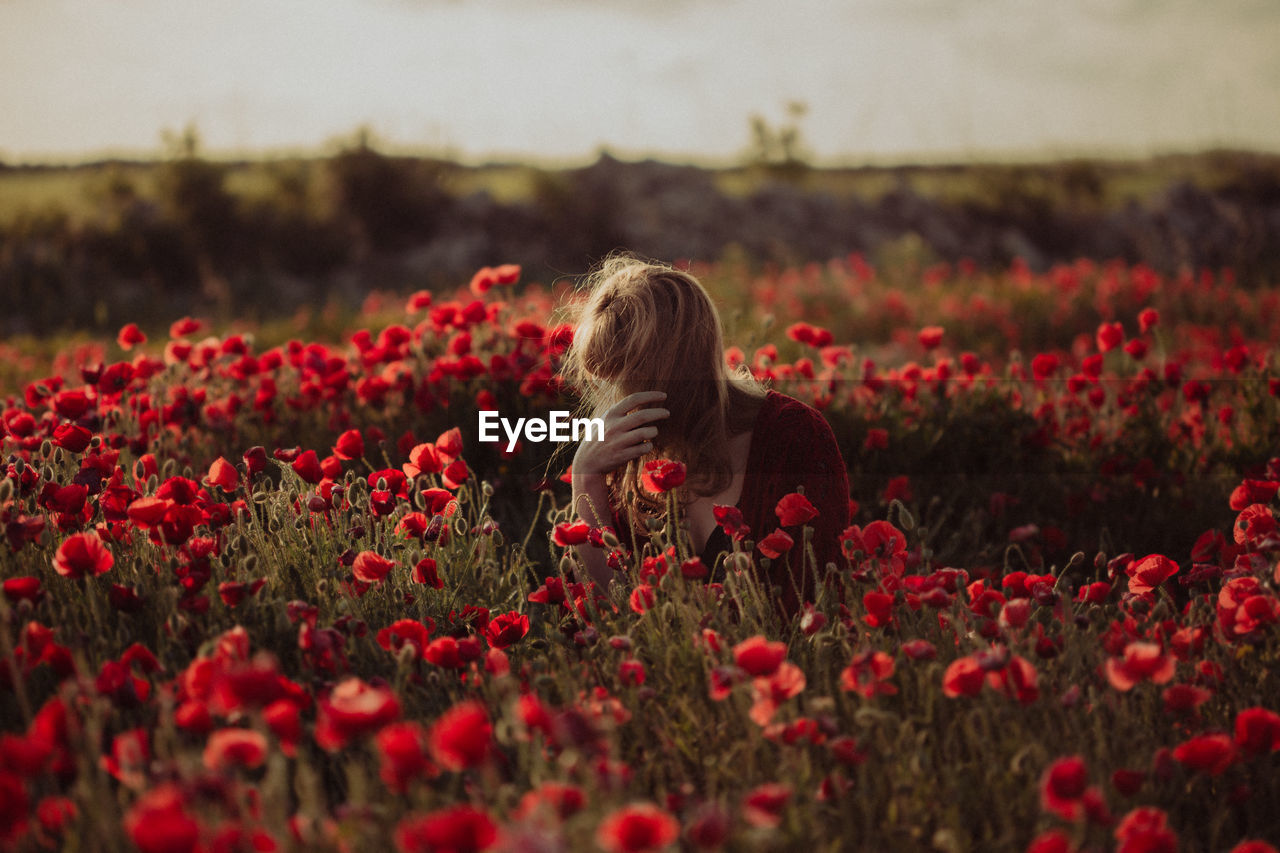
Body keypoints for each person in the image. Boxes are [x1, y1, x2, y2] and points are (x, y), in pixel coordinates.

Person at [561, 254, 850, 619]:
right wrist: (586, 479)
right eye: (606, 379)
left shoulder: (793, 435)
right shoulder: (624, 454)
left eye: (626, 377)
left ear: (675, 367)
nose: (614, 398)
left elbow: (818, 600)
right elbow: (605, 614)